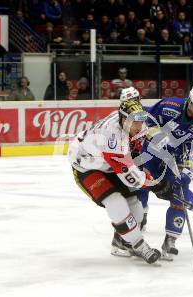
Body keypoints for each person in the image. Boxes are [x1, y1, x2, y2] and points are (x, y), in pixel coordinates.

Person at [68, 99, 161, 264]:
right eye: (135, 123)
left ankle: (121, 242)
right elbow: (131, 177)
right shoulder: (112, 136)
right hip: (86, 166)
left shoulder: (132, 124)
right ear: (124, 121)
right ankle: (139, 246)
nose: (140, 126)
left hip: (108, 164)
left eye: (141, 121)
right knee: (115, 201)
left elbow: (137, 151)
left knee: (136, 208)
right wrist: (154, 183)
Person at [138, 85, 193, 261]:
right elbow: (148, 122)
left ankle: (170, 240)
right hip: (152, 152)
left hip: (178, 160)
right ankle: (139, 222)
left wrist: (188, 173)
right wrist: (160, 140)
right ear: (190, 101)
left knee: (178, 194)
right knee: (142, 184)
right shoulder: (169, 105)